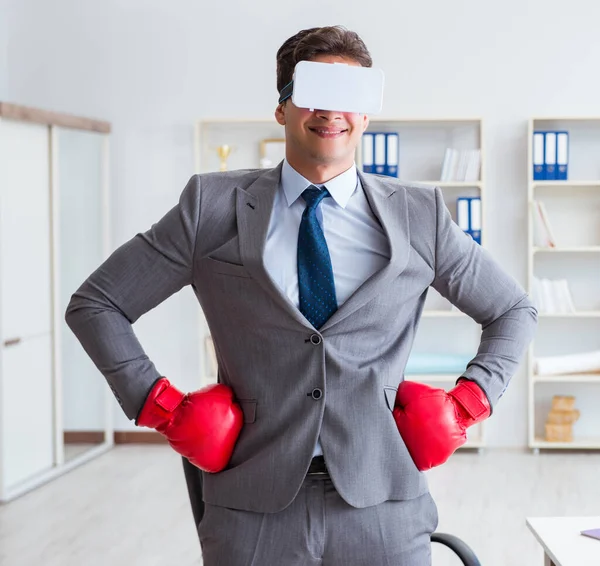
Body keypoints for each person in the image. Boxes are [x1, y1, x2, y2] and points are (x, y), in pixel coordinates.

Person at [66, 25, 538, 566]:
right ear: (282, 108)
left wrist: (468, 401)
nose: (332, 111)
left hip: (383, 505)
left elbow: (511, 309)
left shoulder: (419, 215)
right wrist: (160, 405)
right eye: (314, 92)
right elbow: (97, 303)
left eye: (350, 97)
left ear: (366, 113)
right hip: (252, 509)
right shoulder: (211, 209)